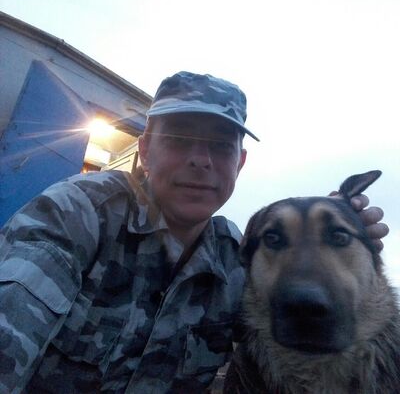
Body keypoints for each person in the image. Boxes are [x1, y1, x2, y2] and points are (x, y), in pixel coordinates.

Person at [0, 71, 388, 393]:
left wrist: (333, 233)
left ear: (239, 163)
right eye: (179, 139)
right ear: (145, 150)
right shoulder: (79, 214)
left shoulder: (236, 261)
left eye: (220, 146)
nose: (200, 160)